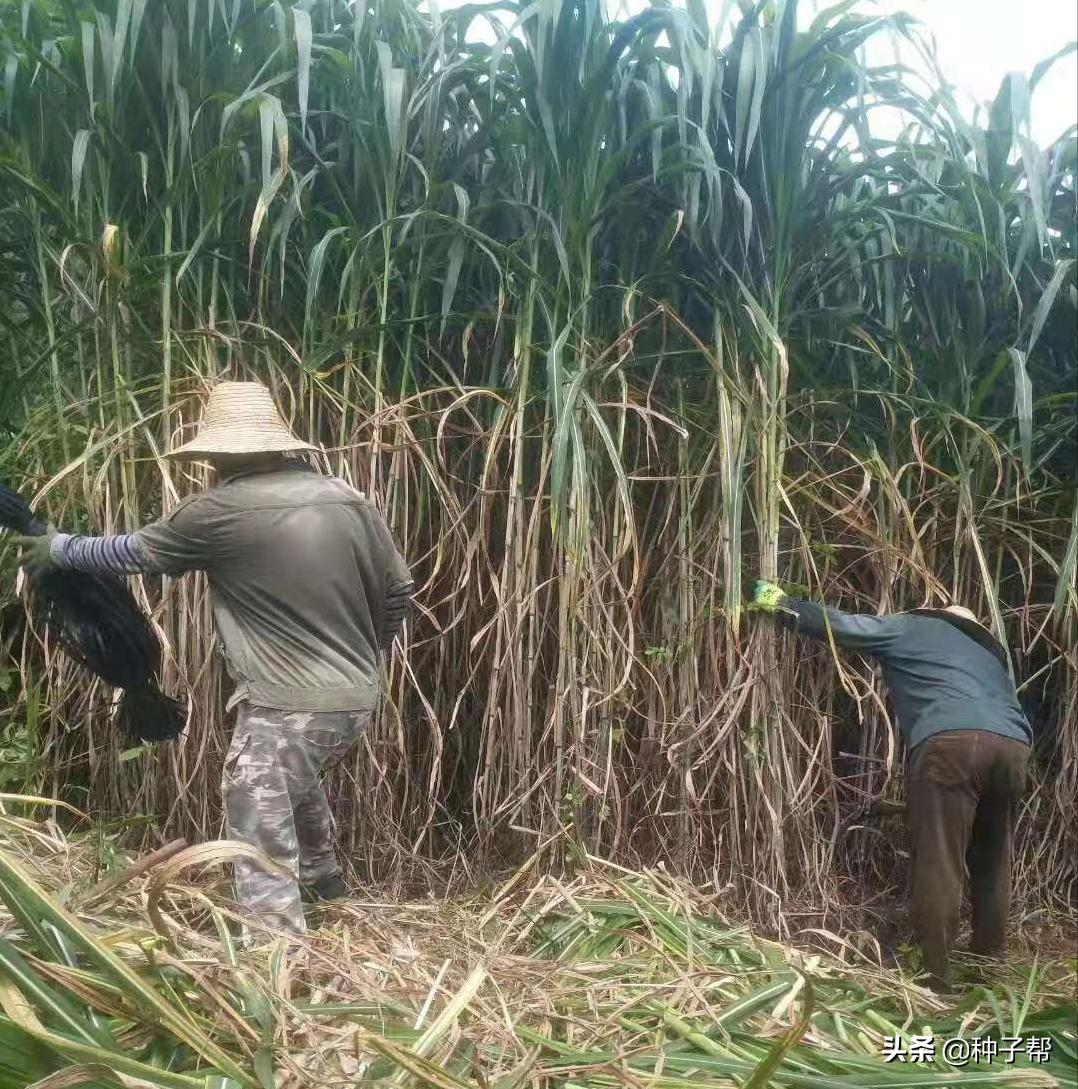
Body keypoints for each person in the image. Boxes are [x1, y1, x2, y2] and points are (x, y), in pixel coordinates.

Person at [18, 381, 413, 938]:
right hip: (356, 696)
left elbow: (133, 552)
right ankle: (329, 890)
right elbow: (399, 591)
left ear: (223, 455)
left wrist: (57, 548)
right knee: (291, 783)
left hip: (286, 698)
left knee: (253, 796)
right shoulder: (347, 498)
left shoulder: (219, 510)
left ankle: (274, 947)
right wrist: (366, 654)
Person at [750, 579, 1032, 991]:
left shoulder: (914, 627)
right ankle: (991, 963)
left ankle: (936, 977)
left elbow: (845, 627)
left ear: (935, 616)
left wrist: (784, 604)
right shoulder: (989, 658)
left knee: (940, 858)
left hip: (951, 743)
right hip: (1013, 750)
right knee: (992, 858)